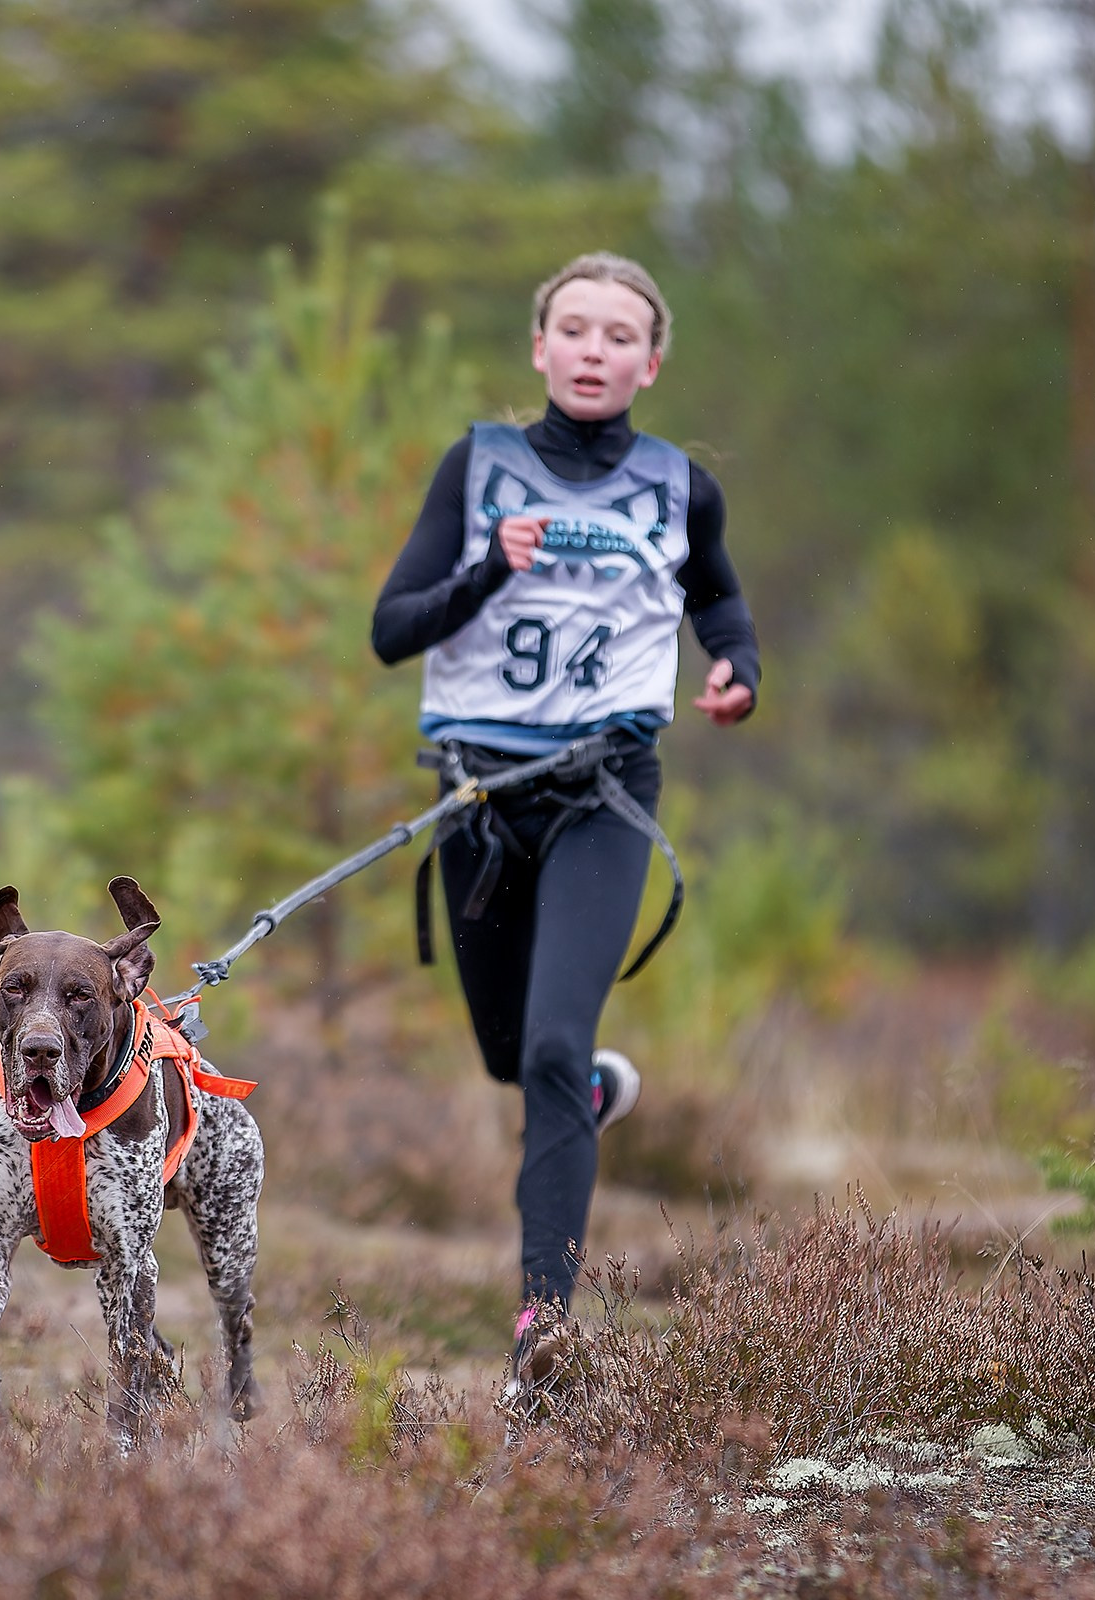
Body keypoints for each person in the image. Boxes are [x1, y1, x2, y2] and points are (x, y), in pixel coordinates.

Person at [369, 252, 759, 1398]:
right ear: (540, 349)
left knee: (547, 1045)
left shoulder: (682, 486)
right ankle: (586, 1095)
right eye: (574, 330)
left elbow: (721, 598)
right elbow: (394, 630)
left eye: (618, 334)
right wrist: (490, 568)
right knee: (514, 1057)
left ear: (651, 359)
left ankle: (544, 1323)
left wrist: (738, 667)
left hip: (607, 793)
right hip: (478, 797)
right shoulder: (476, 468)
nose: (594, 350)